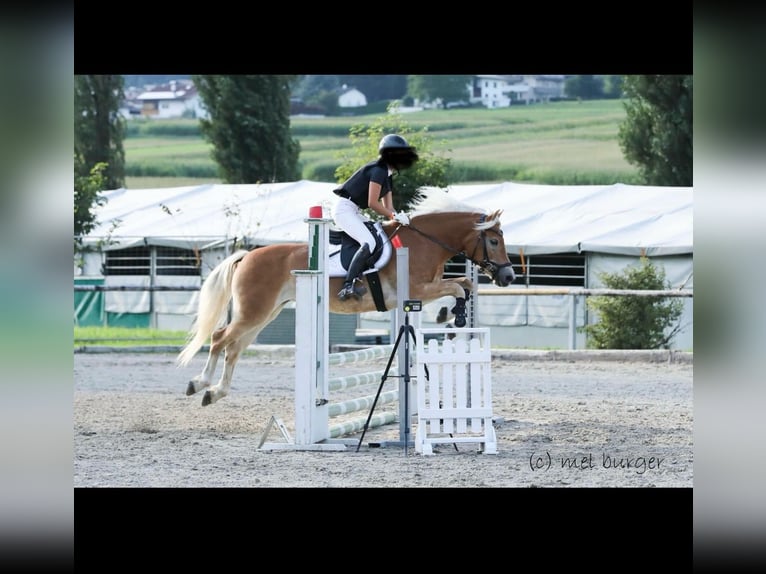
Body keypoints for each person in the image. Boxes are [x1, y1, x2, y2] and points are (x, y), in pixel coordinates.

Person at [332, 133, 419, 301]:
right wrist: (394, 215)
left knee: (380, 235)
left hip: (354, 210)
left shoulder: (387, 175)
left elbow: (389, 208)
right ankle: (348, 285)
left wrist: (401, 217)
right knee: (369, 242)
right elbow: (373, 203)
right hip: (344, 210)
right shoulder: (378, 169)